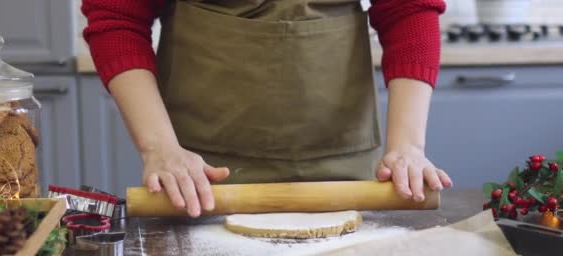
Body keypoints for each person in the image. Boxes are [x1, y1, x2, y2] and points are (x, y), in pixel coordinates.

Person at [82, 0, 453, 217]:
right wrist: (158, 148)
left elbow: (409, 10)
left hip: (347, 169)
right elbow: (118, 20)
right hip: (200, 173)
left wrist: (408, 148)